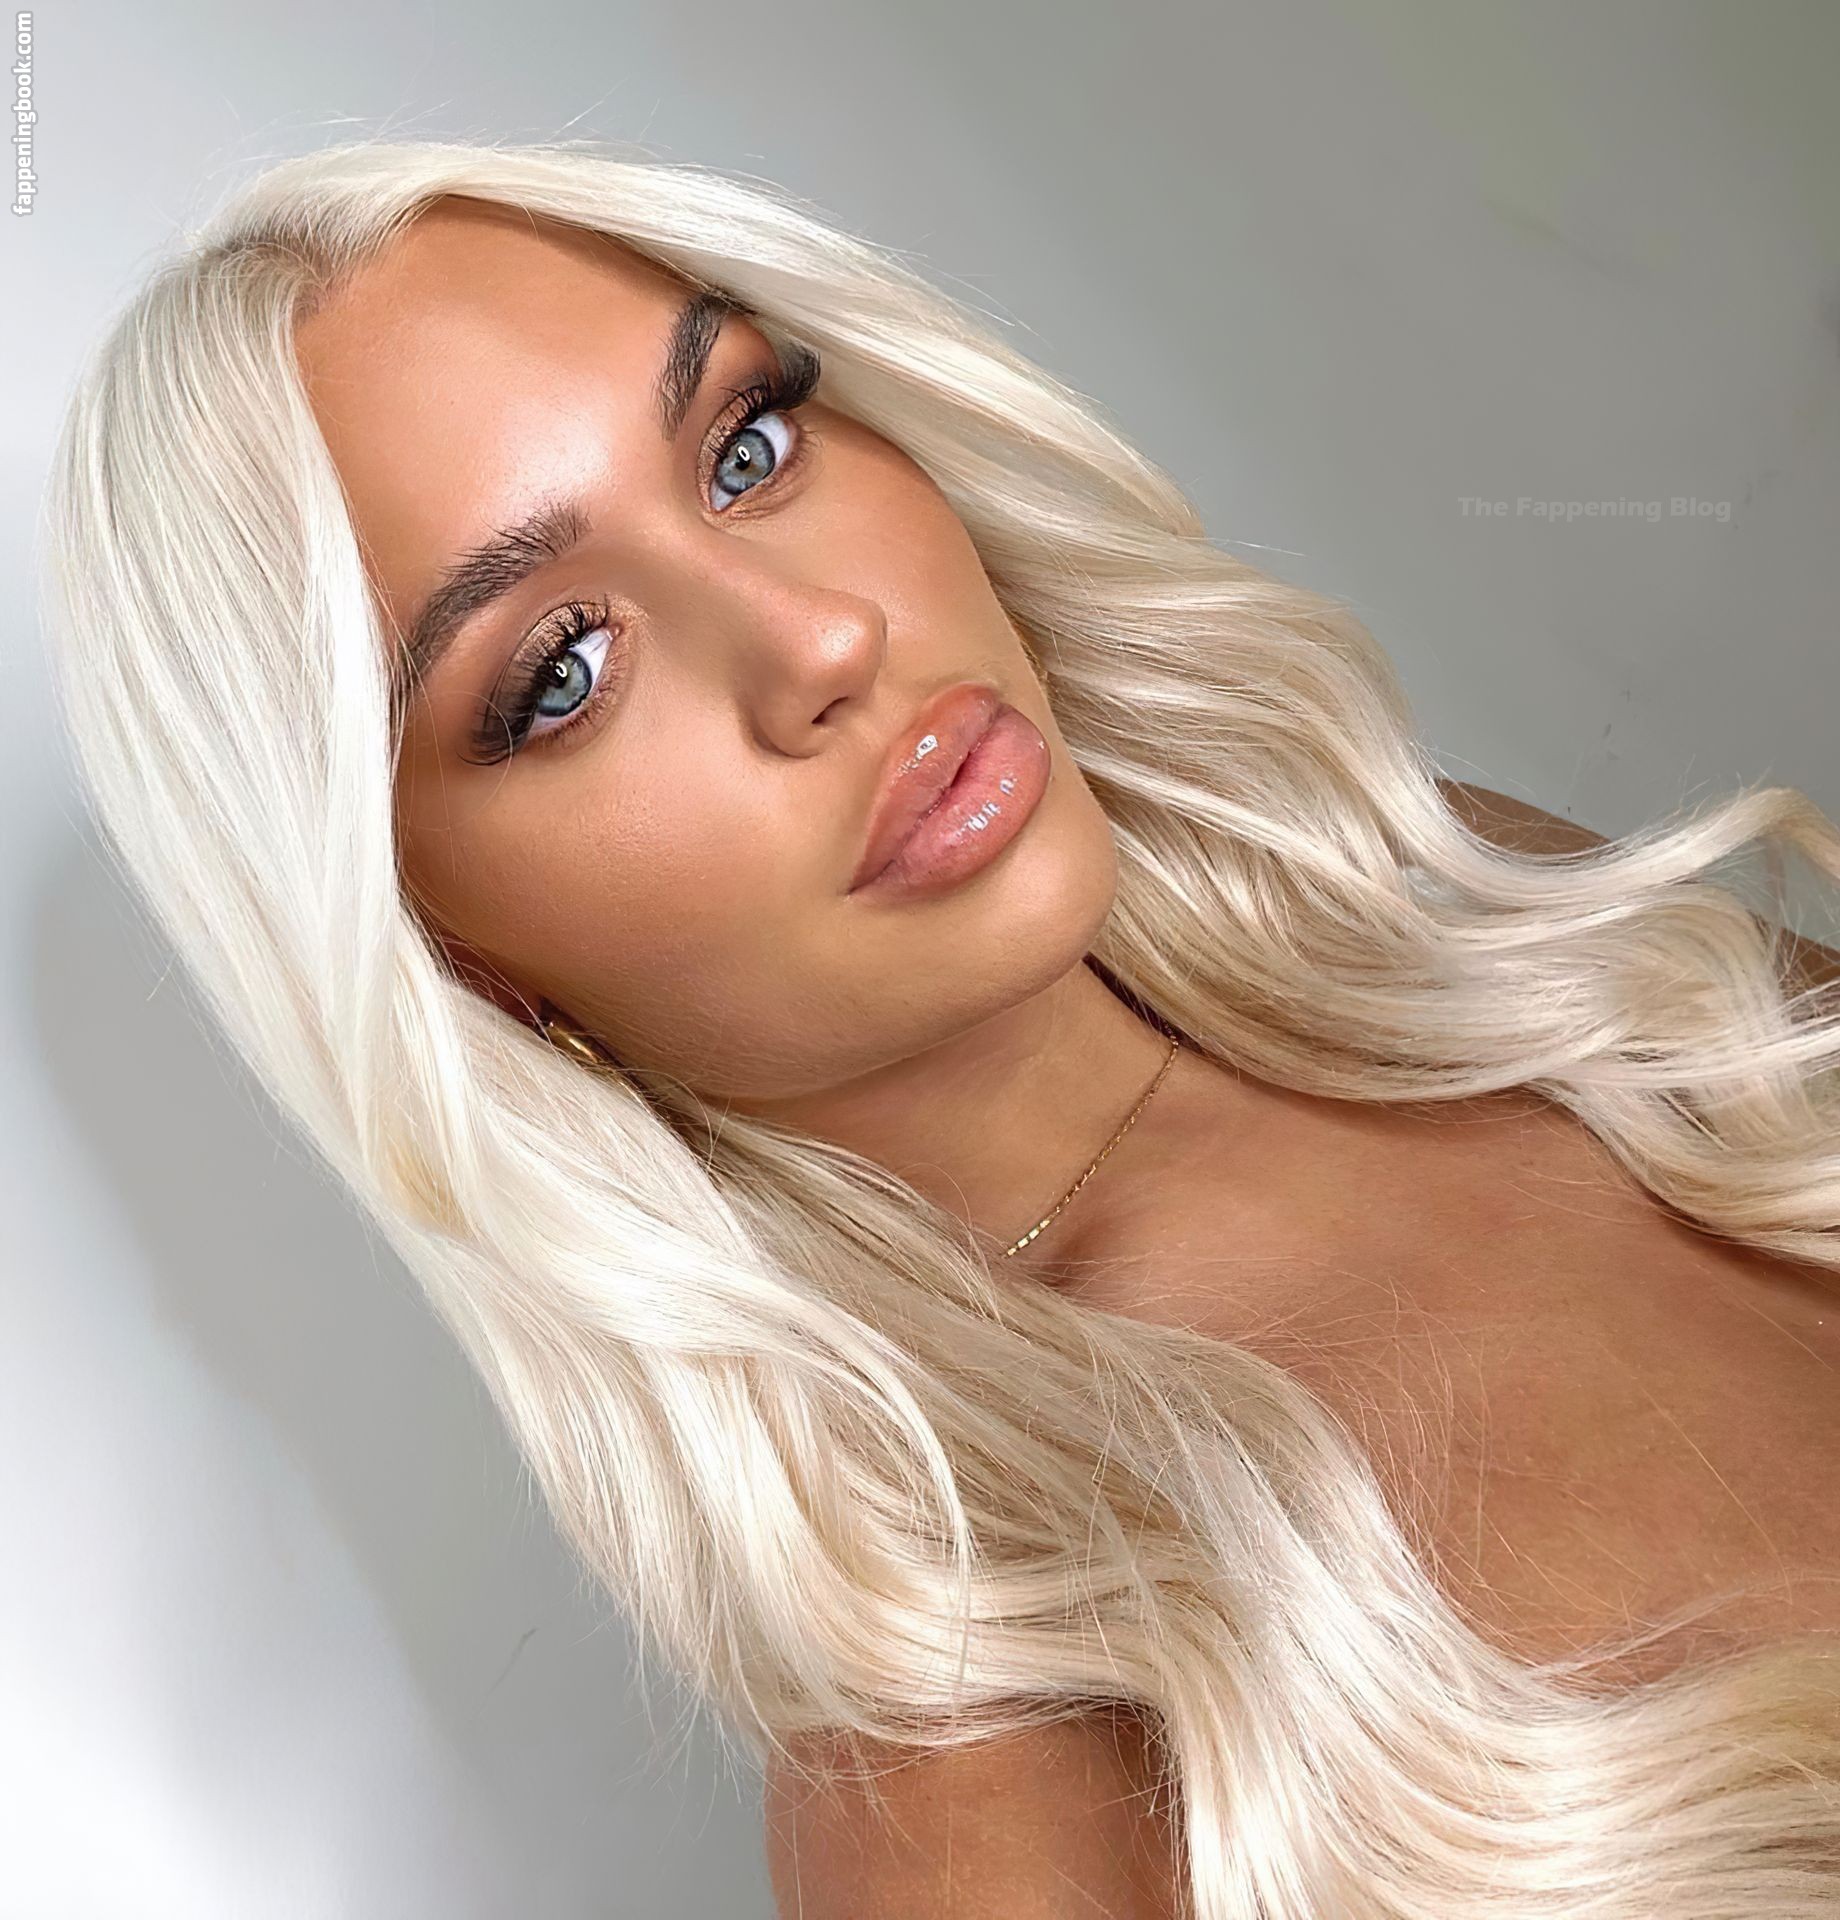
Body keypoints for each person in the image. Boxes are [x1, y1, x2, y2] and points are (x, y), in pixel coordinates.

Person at [41, 138, 1840, 1918]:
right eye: (562, 672)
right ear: (455, 963)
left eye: (746, 447)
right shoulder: (981, 1806)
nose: (823, 639)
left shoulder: (1468, 922)